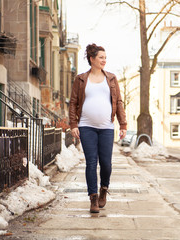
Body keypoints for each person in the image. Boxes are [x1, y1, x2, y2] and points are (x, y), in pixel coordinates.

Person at [69, 43, 127, 213]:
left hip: (107, 128)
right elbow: (73, 103)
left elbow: (119, 102)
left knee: (106, 164)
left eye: (105, 57)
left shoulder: (111, 78)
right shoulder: (80, 79)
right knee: (91, 163)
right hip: (86, 126)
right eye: (101, 57)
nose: (104, 60)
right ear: (92, 59)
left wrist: (122, 124)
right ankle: (93, 198)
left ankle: (103, 189)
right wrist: (73, 124)